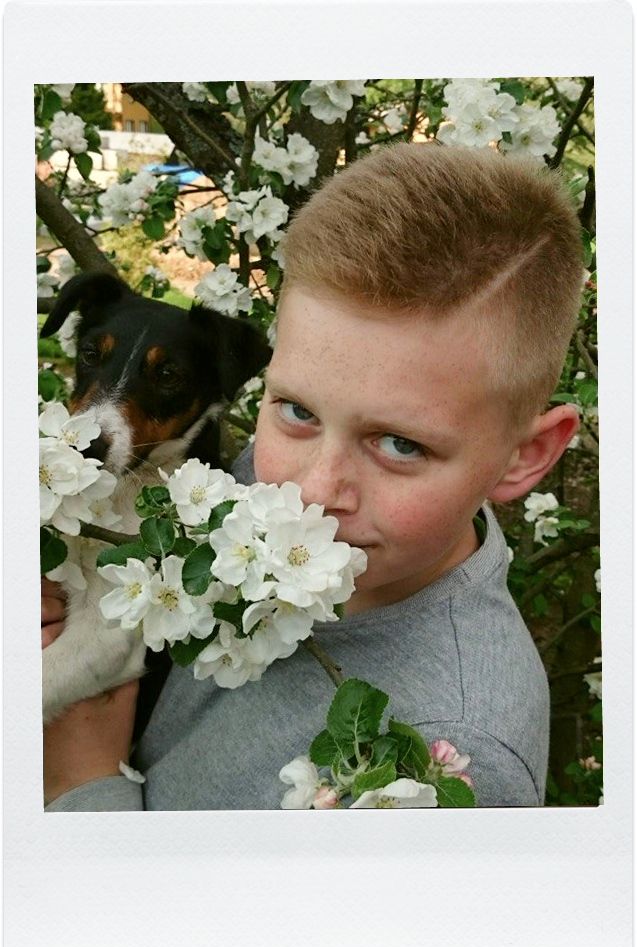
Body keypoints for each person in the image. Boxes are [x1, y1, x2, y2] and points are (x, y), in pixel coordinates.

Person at [42, 142, 584, 810]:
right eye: (297, 411)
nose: (312, 491)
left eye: (400, 444)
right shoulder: (242, 487)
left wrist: (76, 778)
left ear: (524, 455)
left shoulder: (447, 760)